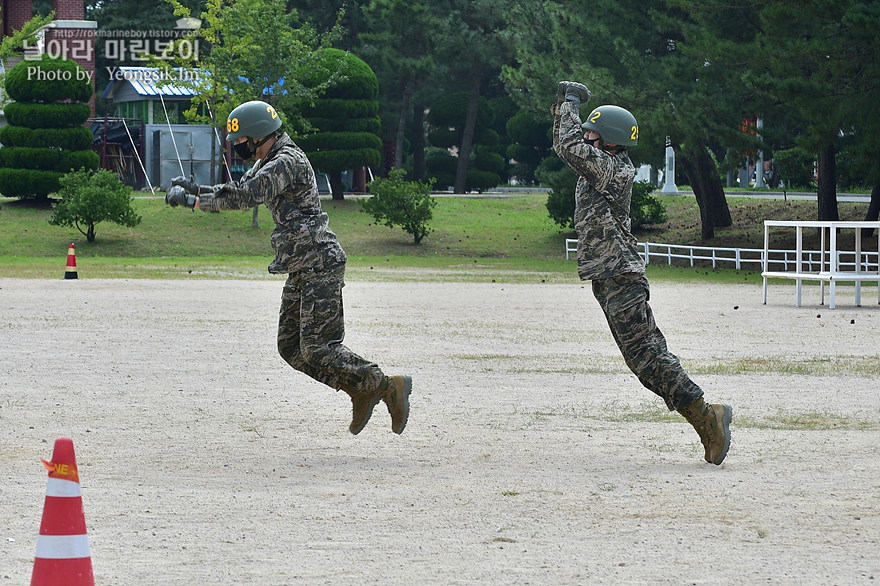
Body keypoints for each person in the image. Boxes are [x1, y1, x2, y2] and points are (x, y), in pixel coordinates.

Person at [165, 100, 412, 435]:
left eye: (242, 143)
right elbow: (239, 189)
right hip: (301, 264)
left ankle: (386, 385)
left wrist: (195, 200)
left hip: (320, 261)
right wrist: (198, 190)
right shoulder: (269, 159)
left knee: (317, 347)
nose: (241, 150)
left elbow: (248, 195)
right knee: (291, 347)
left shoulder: (286, 161)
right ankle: (359, 389)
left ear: (257, 136)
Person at [552, 81, 732, 465]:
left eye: (592, 133)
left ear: (611, 140)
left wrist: (569, 101)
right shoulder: (602, 166)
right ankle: (705, 417)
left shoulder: (613, 169)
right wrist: (565, 110)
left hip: (620, 275)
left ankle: (707, 416)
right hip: (612, 277)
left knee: (647, 358)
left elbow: (566, 146)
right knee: (645, 360)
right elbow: (571, 147)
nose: (585, 137)